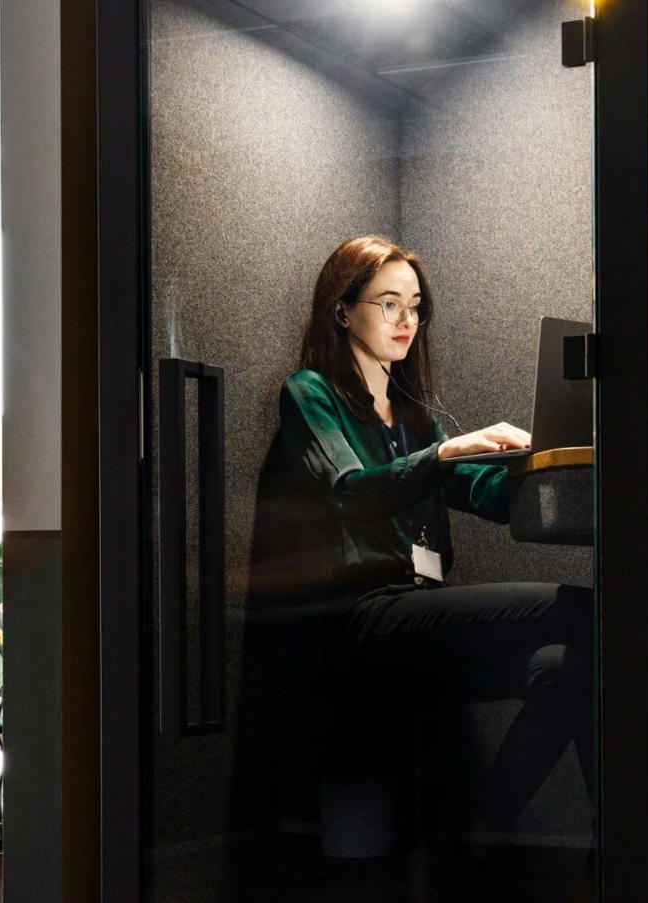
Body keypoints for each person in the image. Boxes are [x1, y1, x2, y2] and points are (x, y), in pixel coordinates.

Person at [253, 234, 594, 838]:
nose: (405, 319)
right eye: (388, 303)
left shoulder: (413, 415)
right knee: (585, 610)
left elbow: (485, 495)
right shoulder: (310, 393)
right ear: (342, 309)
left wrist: (551, 465)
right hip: (359, 618)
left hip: (417, 619)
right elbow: (349, 491)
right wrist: (443, 454)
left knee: (569, 669)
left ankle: (490, 836)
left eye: (414, 305)